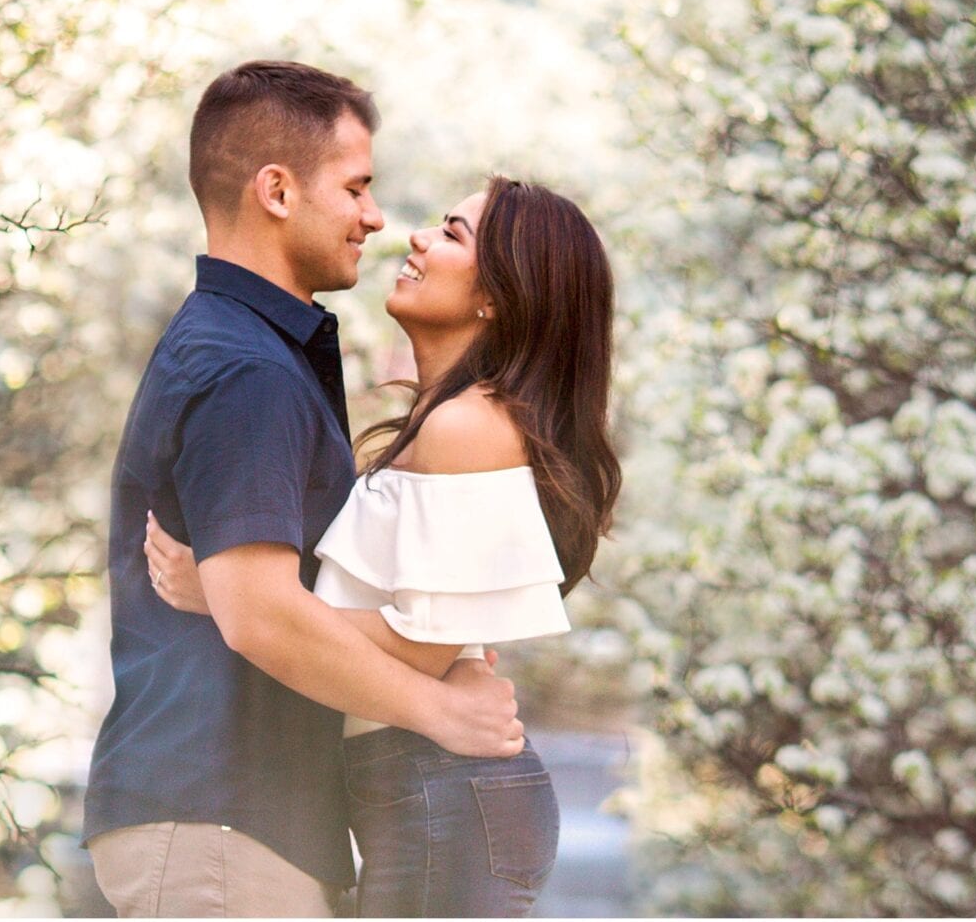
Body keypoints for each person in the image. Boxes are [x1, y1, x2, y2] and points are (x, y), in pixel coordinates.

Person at [82, 62, 528, 919]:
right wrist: (442, 708)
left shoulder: (253, 352)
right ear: (277, 191)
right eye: (356, 186)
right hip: (220, 820)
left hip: (239, 822)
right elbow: (260, 613)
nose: (375, 216)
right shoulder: (248, 370)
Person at [146, 175, 622, 918]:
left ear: (501, 294)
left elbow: (424, 644)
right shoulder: (446, 420)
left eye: (454, 234)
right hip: (420, 786)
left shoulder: (469, 426)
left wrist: (231, 595)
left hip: (443, 791)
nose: (417, 239)